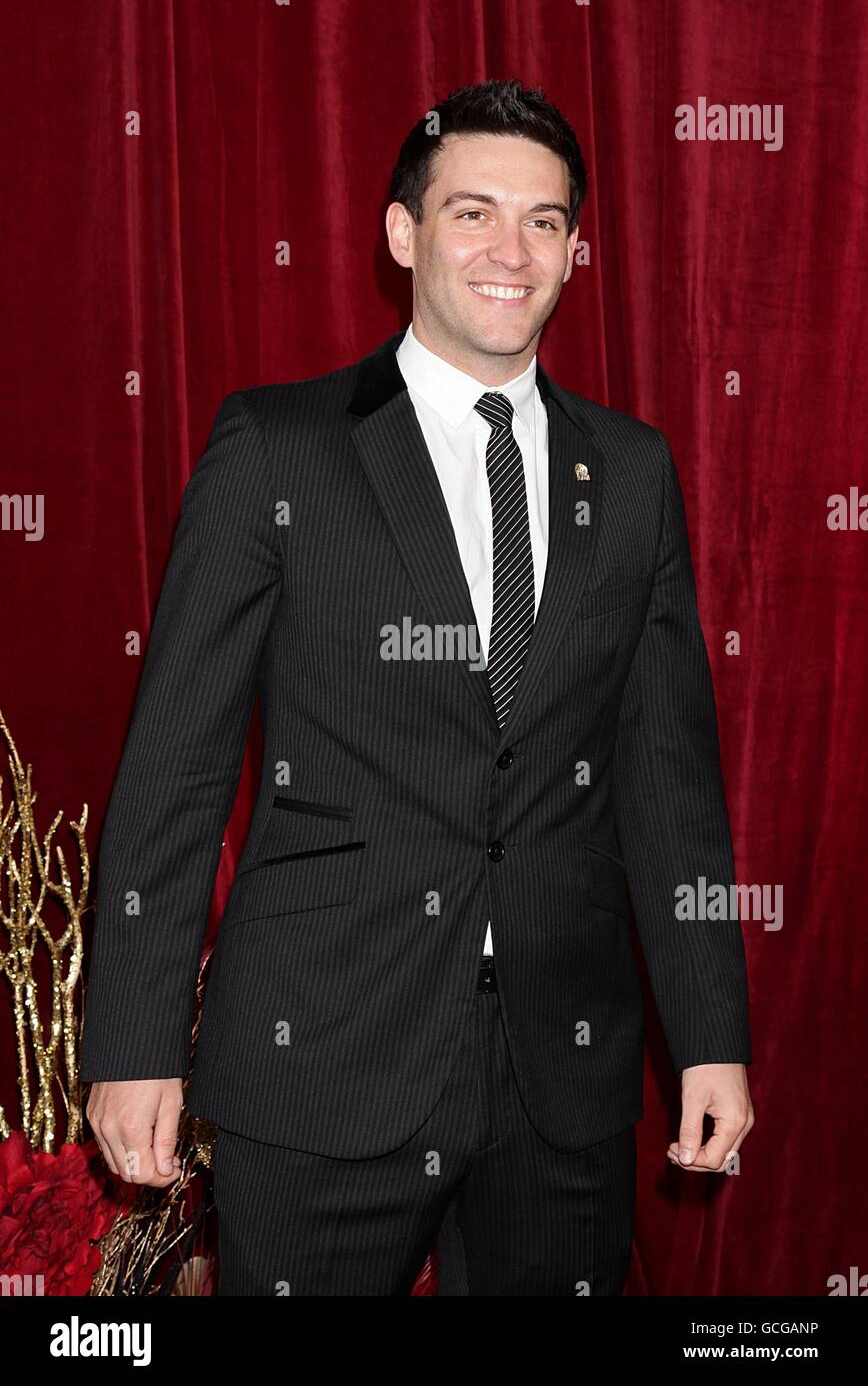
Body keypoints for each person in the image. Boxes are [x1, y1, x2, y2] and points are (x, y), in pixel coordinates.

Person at [80, 78, 754, 1296]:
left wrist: (709, 1035)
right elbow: (174, 767)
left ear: (574, 249)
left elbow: (668, 776)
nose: (511, 251)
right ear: (403, 235)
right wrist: (131, 1045)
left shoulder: (637, 471)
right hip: (325, 1053)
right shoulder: (276, 447)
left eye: (544, 221)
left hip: (563, 1066)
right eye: (473, 213)